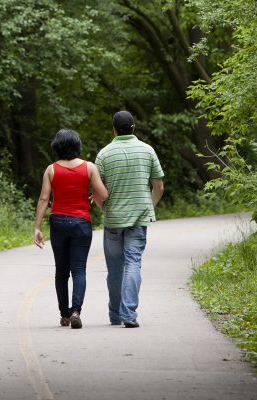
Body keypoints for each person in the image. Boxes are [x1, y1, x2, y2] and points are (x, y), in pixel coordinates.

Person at [94, 111, 164, 328]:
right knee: (133, 263)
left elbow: (97, 192)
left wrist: (103, 208)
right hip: (138, 219)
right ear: (133, 127)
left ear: (114, 129)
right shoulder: (147, 150)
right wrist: (148, 207)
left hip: (113, 219)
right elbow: (159, 186)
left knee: (114, 269)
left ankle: (115, 314)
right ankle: (129, 314)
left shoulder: (104, 155)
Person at [34, 129, 109, 329]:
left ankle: (64, 315)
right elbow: (103, 194)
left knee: (61, 272)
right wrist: (93, 192)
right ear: (77, 145)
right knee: (79, 269)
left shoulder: (51, 169)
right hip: (81, 223)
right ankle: (76, 310)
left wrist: (37, 227)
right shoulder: (89, 167)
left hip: (58, 222)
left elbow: (43, 199)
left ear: (57, 147)